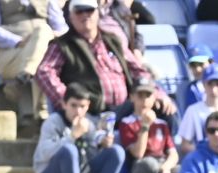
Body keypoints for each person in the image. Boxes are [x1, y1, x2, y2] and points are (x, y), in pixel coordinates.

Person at [36, 0, 167, 115]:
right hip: (89, 113)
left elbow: (137, 70)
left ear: (98, 13)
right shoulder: (62, 45)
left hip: (125, 109)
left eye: (89, 10)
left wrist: (156, 92)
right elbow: (44, 72)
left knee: (166, 109)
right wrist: (68, 101)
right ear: (70, 16)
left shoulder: (112, 40)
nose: (85, 15)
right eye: (79, 11)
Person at [34, 83, 125, 173]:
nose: (78, 111)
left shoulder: (89, 123)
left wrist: (103, 144)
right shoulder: (53, 121)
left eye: (82, 106)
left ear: (87, 106)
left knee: (116, 152)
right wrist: (72, 136)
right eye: (73, 105)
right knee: (69, 150)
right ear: (64, 104)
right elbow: (45, 153)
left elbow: (93, 150)